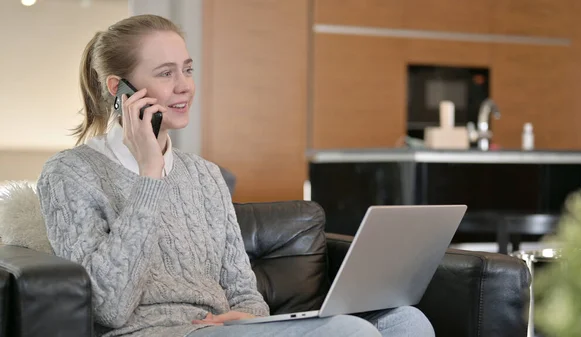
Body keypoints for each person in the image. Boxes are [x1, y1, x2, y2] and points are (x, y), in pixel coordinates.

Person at [35, 14, 435, 337]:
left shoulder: (205, 176)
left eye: (187, 70)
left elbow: (243, 287)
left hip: (225, 330)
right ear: (120, 89)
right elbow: (110, 305)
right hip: (156, 332)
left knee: (407, 321)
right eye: (165, 73)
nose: (184, 86)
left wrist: (246, 315)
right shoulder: (70, 173)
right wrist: (150, 176)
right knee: (350, 333)